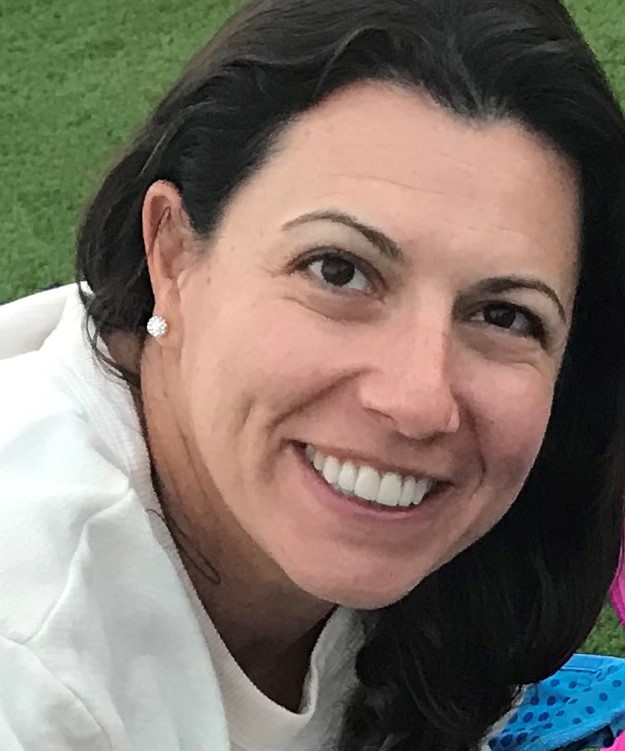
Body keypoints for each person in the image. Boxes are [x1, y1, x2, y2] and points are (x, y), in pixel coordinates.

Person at [2, 0, 625, 749]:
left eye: (504, 315)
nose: (419, 399)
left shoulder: (493, 544)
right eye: (338, 271)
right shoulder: (29, 657)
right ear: (171, 252)